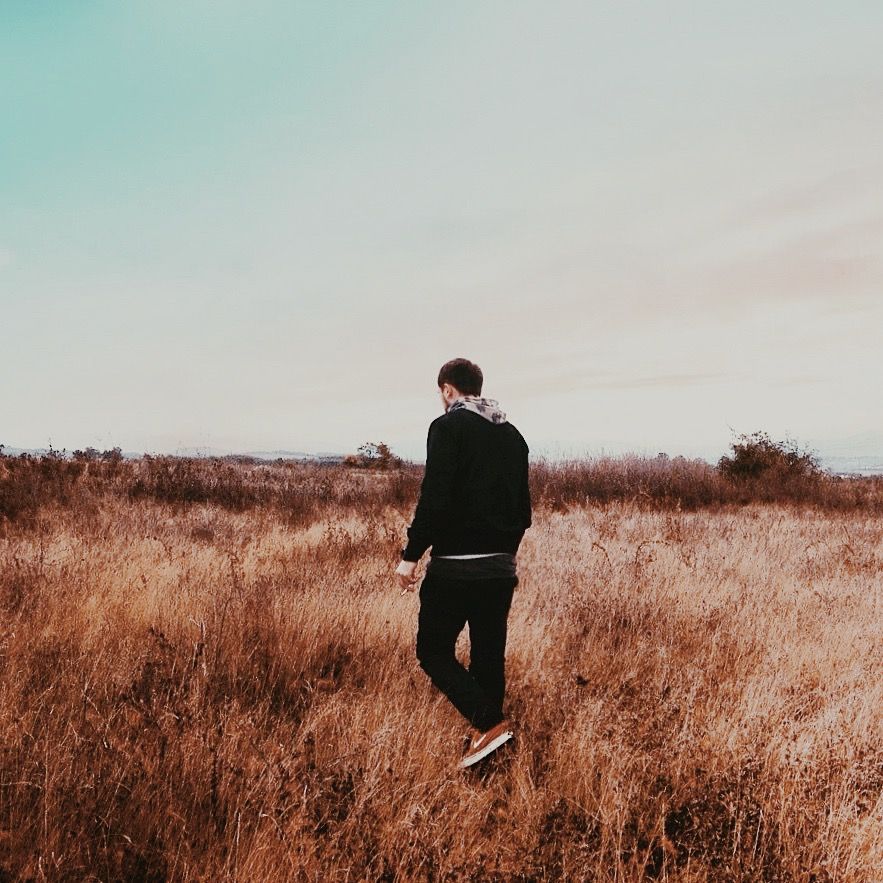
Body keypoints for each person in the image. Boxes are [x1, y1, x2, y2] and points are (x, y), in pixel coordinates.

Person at [394, 357, 532, 767]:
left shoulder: (447, 427)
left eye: (441, 393)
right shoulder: (513, 436)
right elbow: (523, 510)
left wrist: (410, 556)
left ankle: (490, 724)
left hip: (455, 567)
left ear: (447, 390)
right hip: (500, 568)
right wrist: (505, 553)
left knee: (433, 651)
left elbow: (435, 498)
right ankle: (489, 750)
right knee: (489, 656)